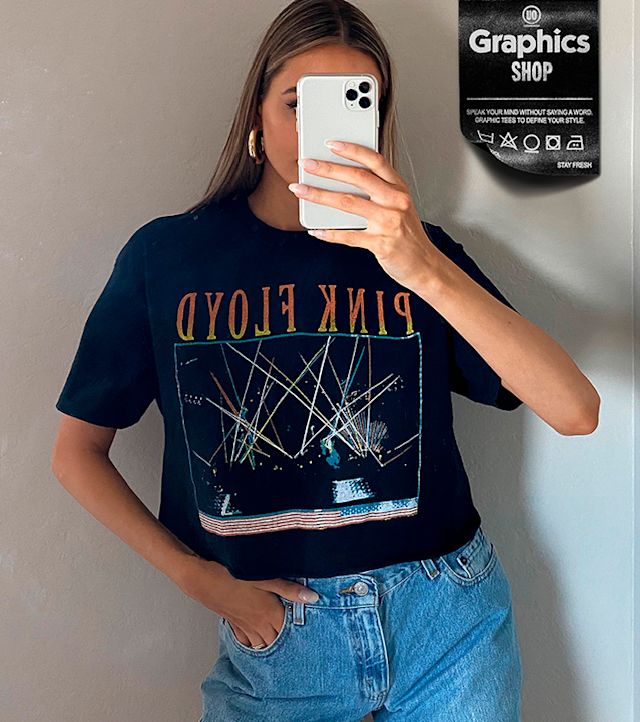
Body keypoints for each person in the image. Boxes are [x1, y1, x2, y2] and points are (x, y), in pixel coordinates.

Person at [51, 1, 600, 720]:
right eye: (297, 104)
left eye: (350, 105)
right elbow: (76, 451)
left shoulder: (418, 256)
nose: (322, 133)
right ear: (256, 113)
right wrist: (195, 578)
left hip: (448, 620)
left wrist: (420, 264)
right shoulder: (167, 257)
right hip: (280, 638)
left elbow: (575, 410)